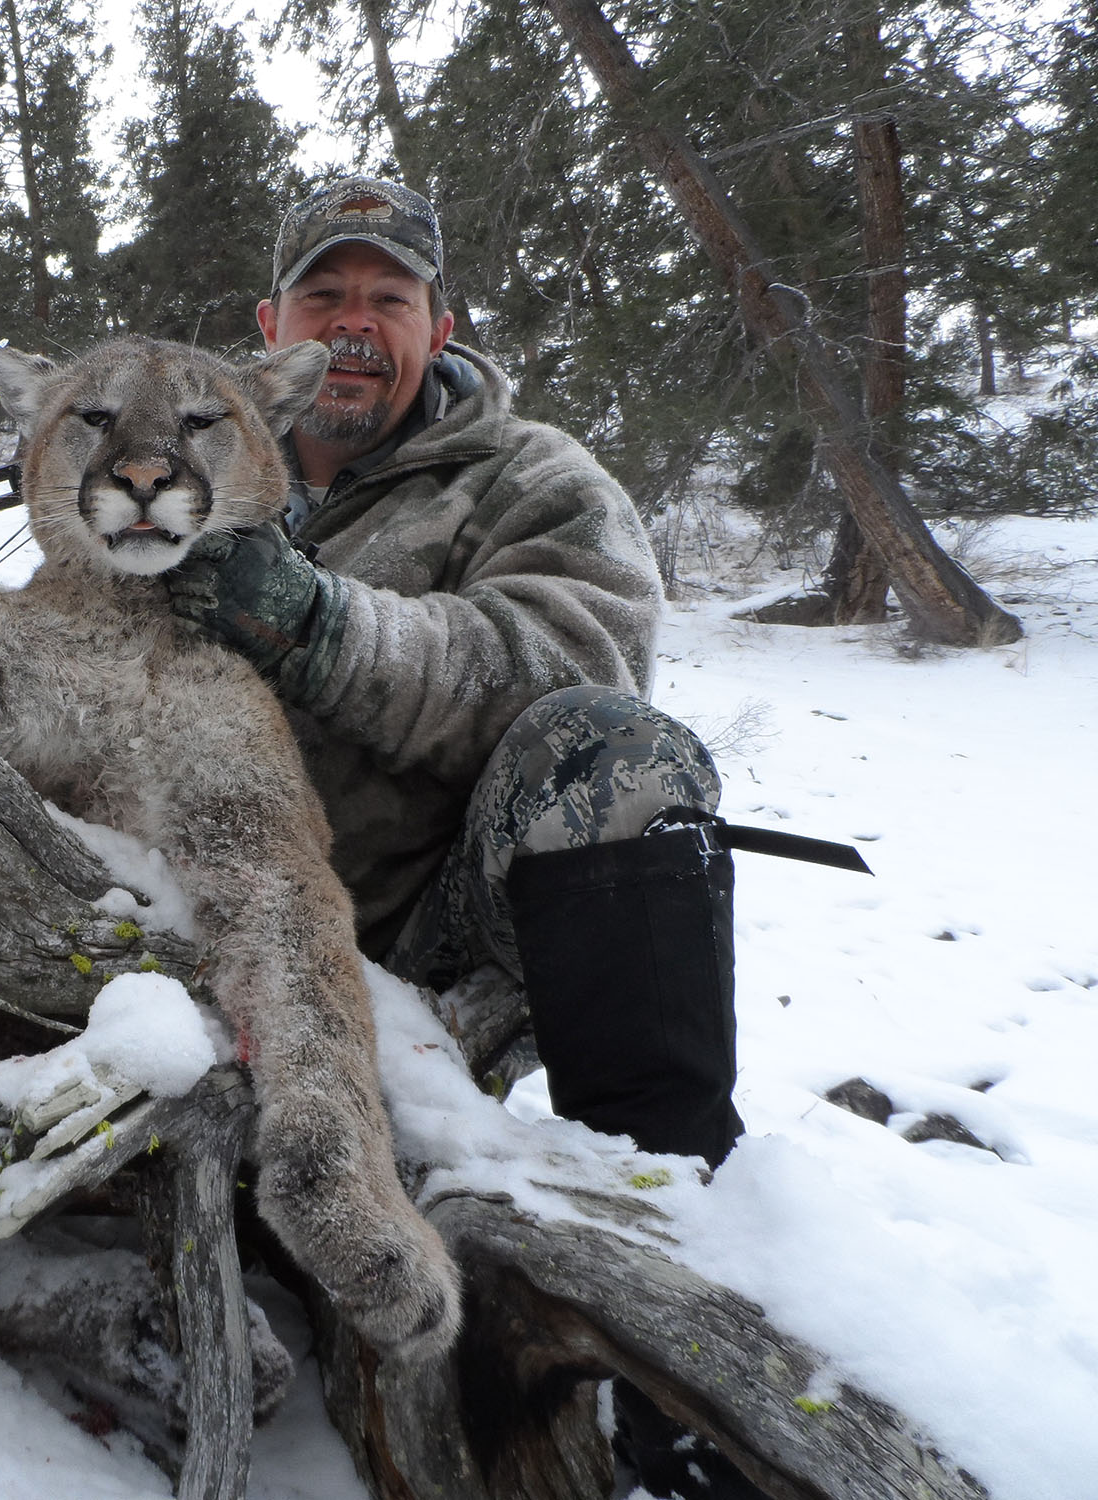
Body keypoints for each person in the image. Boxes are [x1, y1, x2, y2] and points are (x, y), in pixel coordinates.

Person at [163, 174, 752, 1500]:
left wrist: (320, 628)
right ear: (273, 321)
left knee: (614, 755)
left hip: (416, 936)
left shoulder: (534, 476)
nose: (356, 324)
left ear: (441, 322)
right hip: (185, 913)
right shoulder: (181, 464)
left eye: (390, 296)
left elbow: (567, 658)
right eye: (327, 294)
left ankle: (675, 1298)